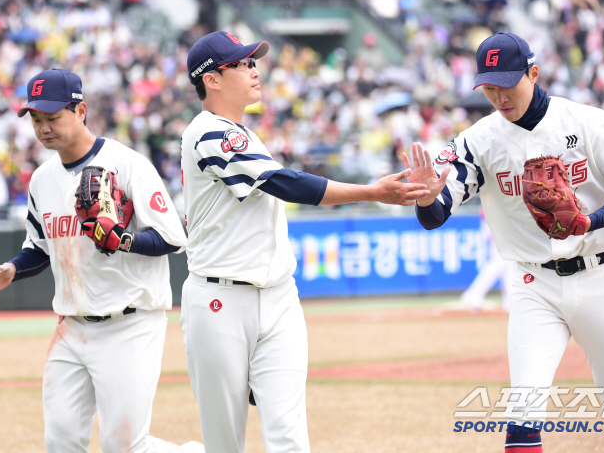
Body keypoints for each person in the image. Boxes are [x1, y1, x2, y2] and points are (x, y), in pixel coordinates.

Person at [404, 33, 604, 452]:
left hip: (601, 277)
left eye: (507, 83)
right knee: (522, 413)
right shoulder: (476, 141)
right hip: (532, 286)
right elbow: (435, 215)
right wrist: (428, 198)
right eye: (489, 87)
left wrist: (591, 221)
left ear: (533, 73)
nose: (499, 96)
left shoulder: (587, 122)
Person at [180, 31, 429, 453]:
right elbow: (285, 183)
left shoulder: (241, 132)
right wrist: (370, 192)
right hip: (220, 301)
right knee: (224, 444)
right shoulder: (207, 131)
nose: (254, 68)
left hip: (278, 298)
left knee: (290, 439)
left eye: (252, 61)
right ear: (213, 79)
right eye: (241, 63)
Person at [0, 69, 204, 453]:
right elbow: (40, 246)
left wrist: (124, 239)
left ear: (80, 110)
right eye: (36, 120)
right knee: (61, 441)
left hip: (129, 323)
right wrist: (13, 269)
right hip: (72, 326)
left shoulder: (127, 163)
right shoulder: (41, 179)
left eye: (52, 118)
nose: (43, 128)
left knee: (125, 447)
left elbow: (171, 237)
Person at [460, 209, 514, 312]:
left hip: (500, 221)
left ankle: (511, 300)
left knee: (508, 263)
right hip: (496, 220)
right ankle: (473, 296)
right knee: (500, 262)